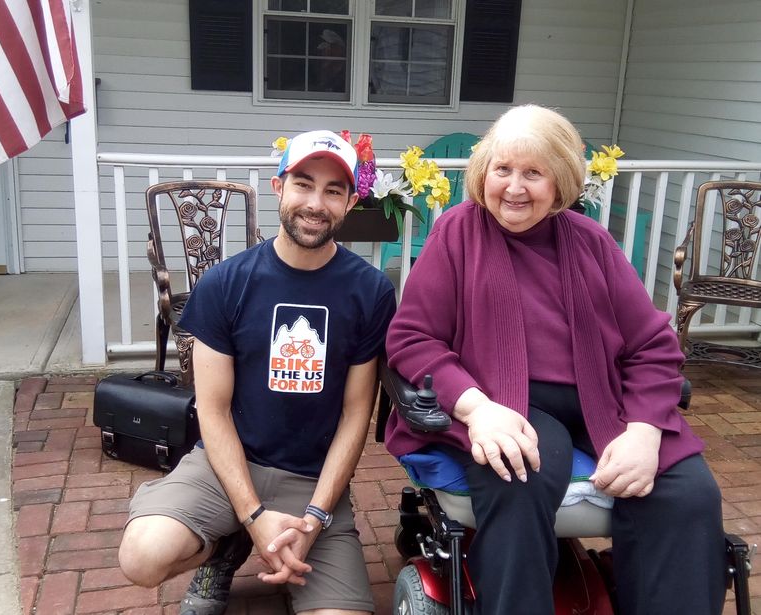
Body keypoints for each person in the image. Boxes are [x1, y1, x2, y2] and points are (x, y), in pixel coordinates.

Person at [384, 105, 726, 615]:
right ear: (484, 173)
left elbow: (653, 345)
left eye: (533, 172)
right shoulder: (457, 231)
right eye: (503, 169)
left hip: (600, 399)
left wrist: (645, 431)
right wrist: (476, 409)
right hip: (502, 400)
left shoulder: (591, 241)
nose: (514, 187)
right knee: (520, 472)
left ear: (560, 180)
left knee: (688, 492)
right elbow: (412, 337)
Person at [118, 129, 396, 615]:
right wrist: (253, 517)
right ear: (278, 188)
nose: (316, 203)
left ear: (351, 202)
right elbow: (214, 410)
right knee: (141, 557)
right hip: (226, 468)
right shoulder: (226, 283)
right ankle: (224, 548)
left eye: (333, 191)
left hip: (312, 477)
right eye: (304, 184)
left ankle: (280, 547)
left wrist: (314, 517)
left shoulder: (369, 291)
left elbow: (356, 415)